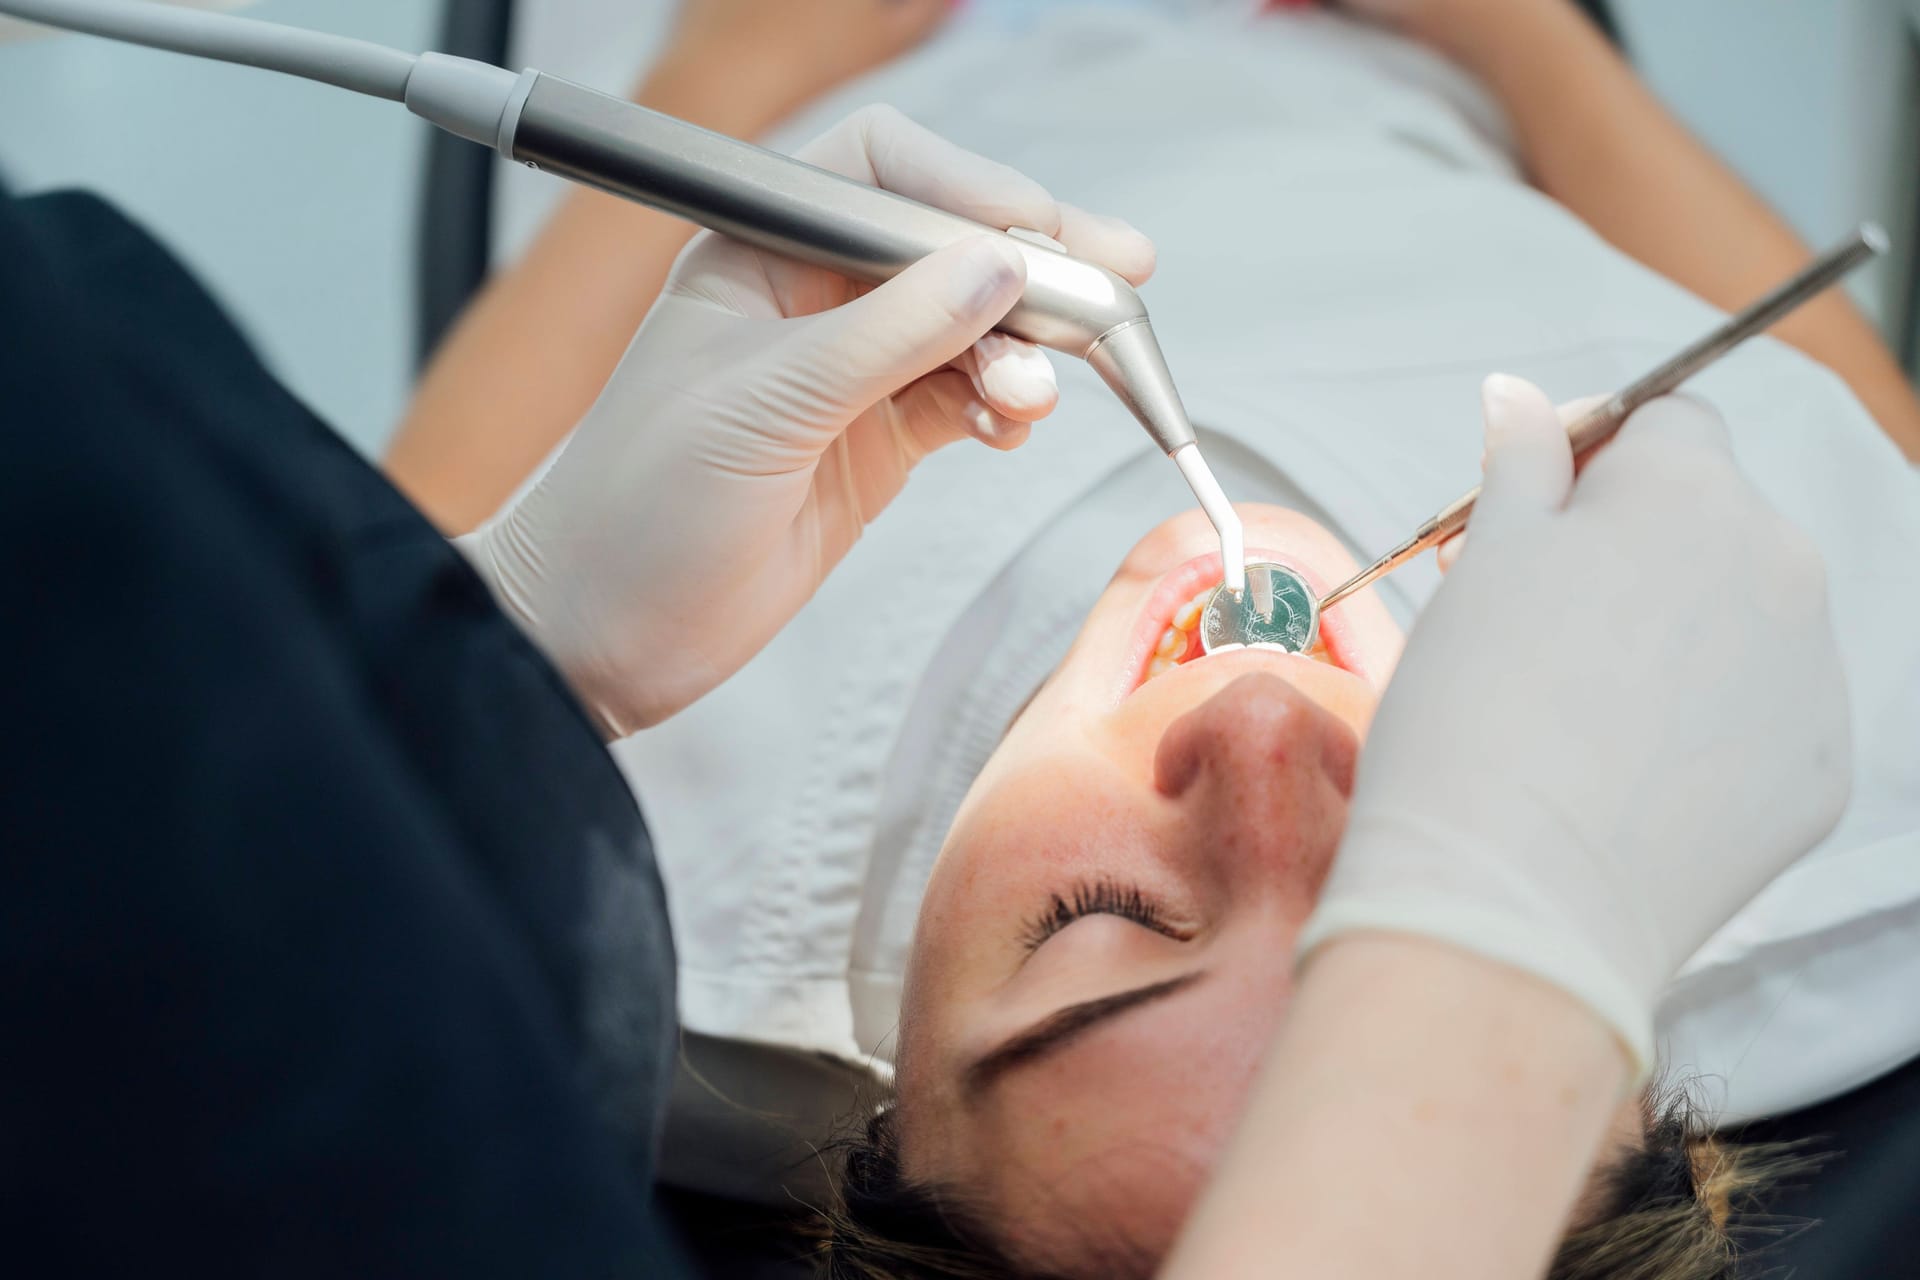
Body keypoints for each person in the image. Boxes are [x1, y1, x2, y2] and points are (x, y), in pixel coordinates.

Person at [0, 30, 1853, 1280]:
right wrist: (1520, 36)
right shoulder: (1802, 768)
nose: (1269, 739)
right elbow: (1873, 441)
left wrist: (737, 61)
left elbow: (243, 670)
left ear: (886, 1068)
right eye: (1401, 889)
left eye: (1101, 927)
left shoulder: (610, 894)